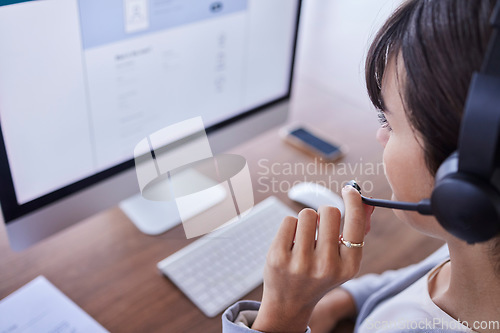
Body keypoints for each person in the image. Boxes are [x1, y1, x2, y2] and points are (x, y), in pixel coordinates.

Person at [222, 0, 500, 332]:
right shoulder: (475, 256)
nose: (380, 135)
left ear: (465, 181)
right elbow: (416, 279)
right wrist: (343, 301)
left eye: (390, 122)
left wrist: (283, 312)